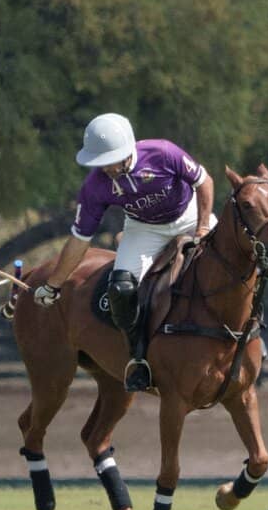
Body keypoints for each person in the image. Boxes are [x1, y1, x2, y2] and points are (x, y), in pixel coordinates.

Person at [32, 113, 214, 392]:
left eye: (108, 160)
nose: (103, 168)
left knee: (232, 260)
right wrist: (53, 284)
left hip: (188, 215)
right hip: (144, 228)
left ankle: (252, 339)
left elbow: (204, 182)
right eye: (98, 162)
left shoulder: (162, 152)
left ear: (128, 150)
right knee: (120, 289)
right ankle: (138, 357)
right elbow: (80, 239)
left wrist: (202, 227)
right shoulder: (95, 186)